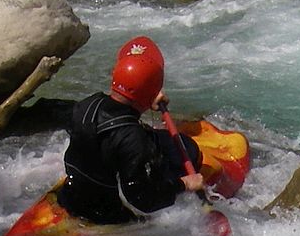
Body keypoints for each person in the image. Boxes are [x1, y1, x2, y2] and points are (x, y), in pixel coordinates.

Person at [56, 36, 206, 224]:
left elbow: (121, 104)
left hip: (73, 194)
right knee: (189, 150)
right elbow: (144, 201)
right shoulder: (134, 140)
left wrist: (147, 96)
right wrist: (184, 184)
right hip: (106, 213)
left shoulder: (87, 105)